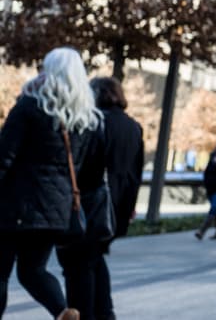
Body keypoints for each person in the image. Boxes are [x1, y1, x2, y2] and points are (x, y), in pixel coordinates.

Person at [0, 46, 107, 320]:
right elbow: (84, 167)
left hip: (16, 206)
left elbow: (5, 156)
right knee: (33, 271)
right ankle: (63, 311)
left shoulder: (30, 106)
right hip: (57, 210)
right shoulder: (87, 119)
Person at [55, 76, 143, 320]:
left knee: (77, 267)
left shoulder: (94, 122)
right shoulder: (133, 126)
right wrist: (129, 207)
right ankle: (105, 314)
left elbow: (82, 168)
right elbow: (135, 172)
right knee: (94, 260)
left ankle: (85, 315)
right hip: (116, 208)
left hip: (90, 205)